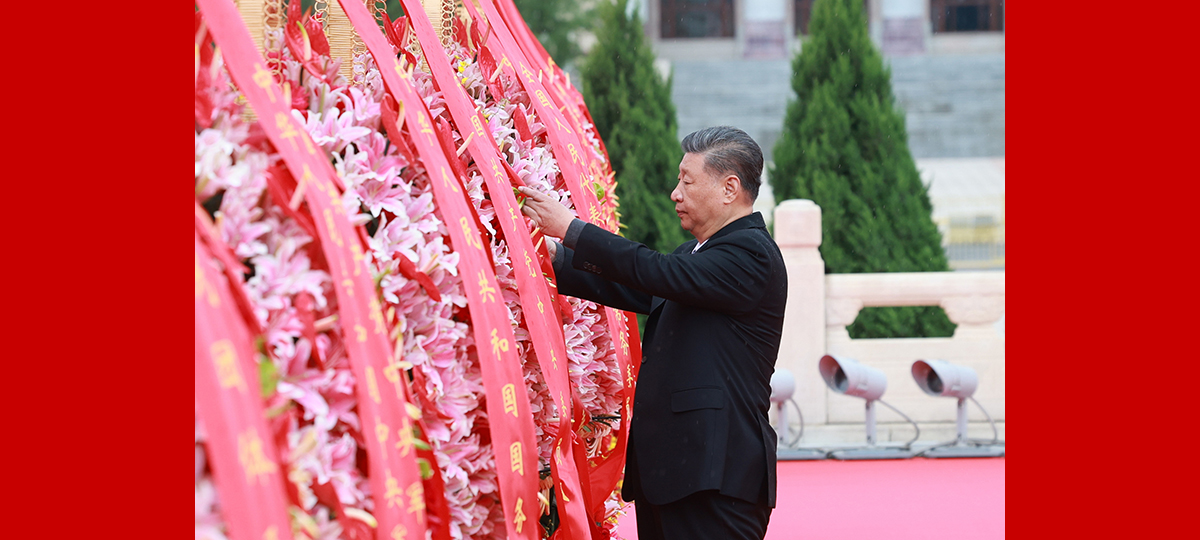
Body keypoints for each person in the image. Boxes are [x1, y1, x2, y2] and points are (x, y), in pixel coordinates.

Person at [518, 126, 786, 540]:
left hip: (716, 474)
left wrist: (572, 228)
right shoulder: (696, 257)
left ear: (730, 188)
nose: (675, 193)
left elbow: (655, 270)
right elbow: (635, 285)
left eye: (687, 180)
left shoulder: (751, 253)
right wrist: (553, 256)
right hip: (675, 471)